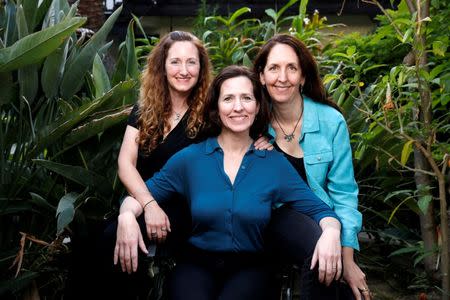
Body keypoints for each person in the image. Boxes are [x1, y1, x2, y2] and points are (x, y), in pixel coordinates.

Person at [118, 65, 343, 300]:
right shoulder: (190, 159)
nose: (238, 107)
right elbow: (140, 196)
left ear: (257, 106)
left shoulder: (274, 164)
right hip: (196, 264)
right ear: (216, 107)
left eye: (246, 98)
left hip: (252, 267)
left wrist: (330, 233)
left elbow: (319, 210)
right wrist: (126, 216)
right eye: (228, 99)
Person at [107, 31, 270, 298]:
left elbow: (242, 127)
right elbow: (126, 162)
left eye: (191, 62)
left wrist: (265, 140)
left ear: (201, 67)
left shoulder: (209, 111)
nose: (184, 70)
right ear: (162, 66)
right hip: (143, 199)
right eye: (175, 62)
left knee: (124, 242)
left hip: (188, 211)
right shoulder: (145, 109)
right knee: (107, 239)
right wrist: (140, 208)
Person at [254, 34, 371, 300]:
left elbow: (343, 195)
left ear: (303, 76)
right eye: (273, 68)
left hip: (323, 220)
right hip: (269, 219)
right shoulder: (251, 118)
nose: (282, 77)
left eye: (291, 68)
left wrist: (348, 258)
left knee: (339, 279)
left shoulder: (331, 121)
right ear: (261, 76)